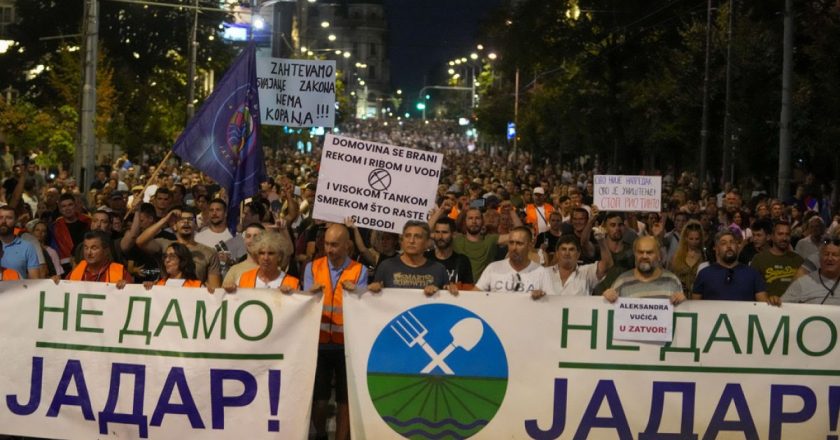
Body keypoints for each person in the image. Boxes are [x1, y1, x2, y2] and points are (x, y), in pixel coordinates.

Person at [302, 224, 367, 440]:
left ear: (347, 245)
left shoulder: (360, 270)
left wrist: (358, 291)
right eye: (327, 244)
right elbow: (304, 302)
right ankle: (320, 435)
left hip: (346, 346)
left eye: (335, 245)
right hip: (318, 343)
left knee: (345, 399)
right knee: (319, 399)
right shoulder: (312, 267)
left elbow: (363, 305)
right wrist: (306, 293)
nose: (330, 249)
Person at [430, 203, 522, 279]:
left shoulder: (491, 239)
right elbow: (424, 233)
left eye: (477, 218)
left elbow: (520, 235)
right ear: (465, 221)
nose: (474, 221)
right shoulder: (456, 239)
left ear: (482, 221)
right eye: (470, 218)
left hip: (483, 291)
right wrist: (441, 210)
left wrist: (511, 211)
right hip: (460, 289)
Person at [135, 208, 222, 289]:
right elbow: (140, 241)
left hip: (193, 299)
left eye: (190, 219)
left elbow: (214, 288)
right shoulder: (164, 244)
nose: (186, 222)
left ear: (195, 226)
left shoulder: (209, 252)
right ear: (174, 226)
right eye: (181, 220)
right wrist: (165, 219)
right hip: (164, 297)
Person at [369, 220, 452, 296]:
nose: (411, 241)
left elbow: (447, 301)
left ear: (427, 242)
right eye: (407, 236)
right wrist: (373, 289)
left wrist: (440, 293)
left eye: (417, 236)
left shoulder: (438, 269)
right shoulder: (386, 266)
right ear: (402, 241)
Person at [692, 230, 776, 303]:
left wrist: (772, 301)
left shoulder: (752, 274)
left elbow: (764, 305)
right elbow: (695, 307)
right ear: (716, 249)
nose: (728, 246)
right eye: (723, 243)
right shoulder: (704, 274)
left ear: (737, 246)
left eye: (732, 242)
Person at [475, 226, 554, 299]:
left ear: (529, 246)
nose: (514, 248)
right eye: (511, 243)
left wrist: (542, 296)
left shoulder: (541, 272)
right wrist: (462, 297)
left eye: (519, 243)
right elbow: (473, 295)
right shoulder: (493, 268)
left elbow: (553, 302)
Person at [603, 236, 685, 304]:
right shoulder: (622, 282)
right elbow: (608, 314)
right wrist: (606, 299)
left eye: (649, 252)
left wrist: (682, 302)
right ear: (635, 254)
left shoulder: (672, 281)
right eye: (640, 252)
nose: (644, 256)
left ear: (659, 255)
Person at [751, 221, 804, 297]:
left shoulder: (798, 260)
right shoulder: (759, 259)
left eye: (787, 234)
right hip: (767, 306)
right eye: (780, 234)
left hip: (794, 306)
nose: (784, 238)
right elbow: (753, 288)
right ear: (772, 236)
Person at [233, 231, 300, 290]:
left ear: (279, 256)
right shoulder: (244, 279)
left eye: (271, 253)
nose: (266, 258)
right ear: (257, 256)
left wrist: (289, 296)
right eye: (261, 253)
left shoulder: (292, 283)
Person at [784, 236, 840, 305]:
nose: (830, 258)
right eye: (826, 254)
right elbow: (783, 306)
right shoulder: (802, 283)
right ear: (819, 259)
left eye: (835, 255)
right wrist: (775, 302)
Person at [65, 231, 131, 286]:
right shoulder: (76, 271)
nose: (88, 253)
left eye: (94, 248)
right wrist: (55, 283)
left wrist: (126, 288)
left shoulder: (121, 273)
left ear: (106, 251)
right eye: (86, 248)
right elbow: (63, 291)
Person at [426, 217, 474, 290]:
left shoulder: (462, 261)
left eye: (445, 232)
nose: (440, 236)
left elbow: (469, 290)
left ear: (453, 235)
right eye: (437, 232)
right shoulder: (425, 257)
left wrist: (457, 287)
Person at [50, 193, 91, 272]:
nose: (67, 208)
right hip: (64, 268)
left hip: (87, 264)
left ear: (75, 206)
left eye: (70, 205)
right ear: (60, 209)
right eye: (64, 206)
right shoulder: (54, 227)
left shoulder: (88, 222)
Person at [0, 205, 40, 279]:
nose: (4, 221)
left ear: (16, 221)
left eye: (9, 218)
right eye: (0, 217)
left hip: (18, 289)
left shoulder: (27, 247)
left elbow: (35, 281)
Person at [222, 223, 266, 289]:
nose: (251, 240)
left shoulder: (272, 269)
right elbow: (223, 296)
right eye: (248, 236)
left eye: (256, 236)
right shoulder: (234, 270)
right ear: (244, 240)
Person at [669, 220, 706, 294]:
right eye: (691, 239)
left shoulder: (705, 257)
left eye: (697, 239)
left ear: (701, 239)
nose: (694, 242)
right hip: (679, 296)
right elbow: (670, 278)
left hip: (699, 297)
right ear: (685, 238)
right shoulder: (676, 257)